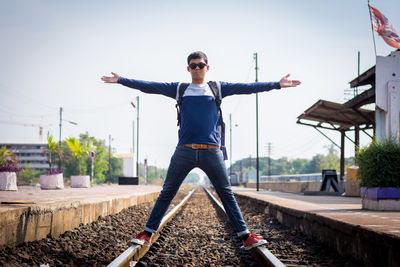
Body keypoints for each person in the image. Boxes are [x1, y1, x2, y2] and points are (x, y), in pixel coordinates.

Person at [101, 51, 301, 250]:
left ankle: (246, 236)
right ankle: (147, 233)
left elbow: (248, 88)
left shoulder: (217, 88)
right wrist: (121, 80)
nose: (197, 68)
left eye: (201, 65)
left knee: (226, 194)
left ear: (208, 68)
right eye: (193, 65)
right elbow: (149, 86)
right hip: (184, 151)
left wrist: (276, 84)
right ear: (188, 69)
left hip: (212, 152)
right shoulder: (180, 89)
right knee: (167, 192)